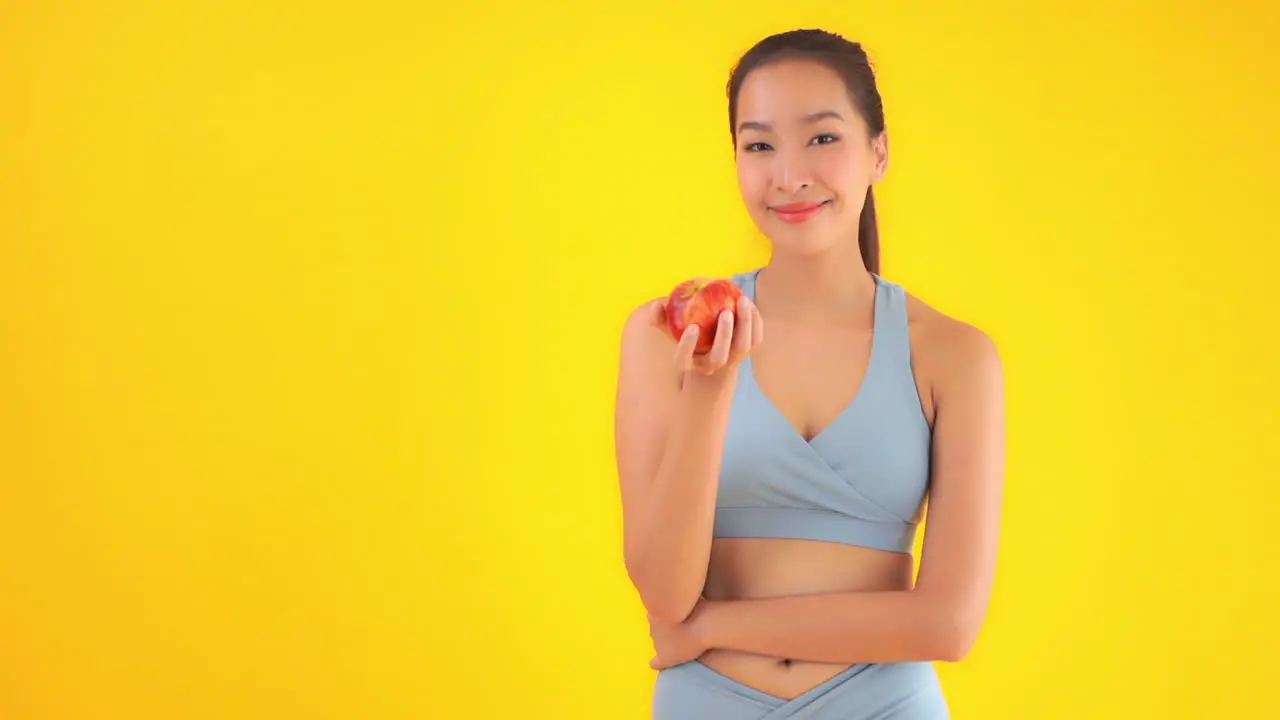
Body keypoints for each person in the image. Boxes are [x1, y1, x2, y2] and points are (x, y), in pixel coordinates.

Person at [613, 28, 1006, 719]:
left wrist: (710, 629)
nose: (789, 174)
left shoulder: (955, 356)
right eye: (759, 145)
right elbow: (665, 595)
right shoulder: (666, 337)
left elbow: (948, 624)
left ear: (878, 152)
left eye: (822, 138)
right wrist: (710, 391)